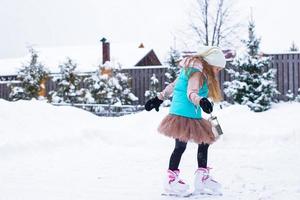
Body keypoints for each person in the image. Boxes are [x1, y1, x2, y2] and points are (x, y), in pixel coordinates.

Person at [144, 46, 226, 195]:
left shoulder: (193, 70)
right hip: (183, 114)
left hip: (191, 113)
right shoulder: (197, 73)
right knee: (180, 147)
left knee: (205, 141)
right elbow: (191, 92)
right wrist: (201, 101)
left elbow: (173, 86)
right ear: (211, 63)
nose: (218, 71)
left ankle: (202, 177)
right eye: (217, 68)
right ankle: (171, 180)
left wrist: (158, 98)